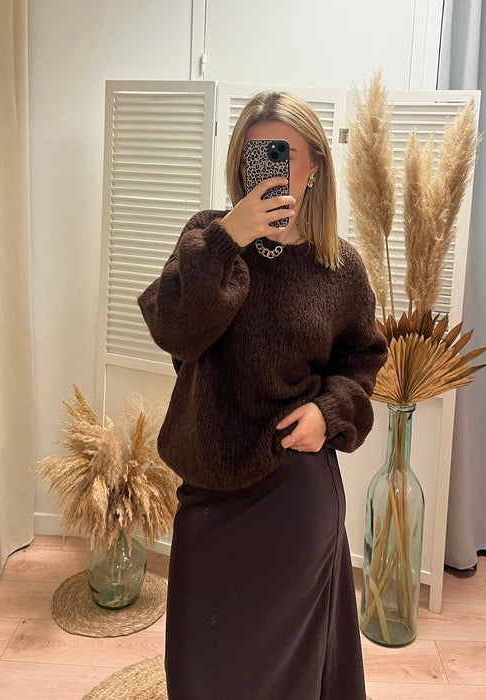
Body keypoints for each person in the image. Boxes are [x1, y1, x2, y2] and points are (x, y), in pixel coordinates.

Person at [138, 91, 387, 700]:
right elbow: (175, 332)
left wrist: (328, 412)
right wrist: (229, 239)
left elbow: (363, 361)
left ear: (315, 166)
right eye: (254, 154)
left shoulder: (339, 266)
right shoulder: (206, 239)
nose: (267, 167)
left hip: (295, 487)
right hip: (210, 485)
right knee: (200, 664)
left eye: (282, 153)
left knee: (289, 667)